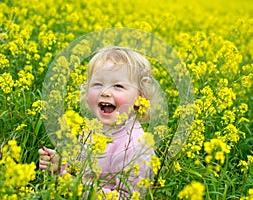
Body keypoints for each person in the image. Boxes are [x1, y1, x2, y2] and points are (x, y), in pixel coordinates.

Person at [39, 46, 161, 199]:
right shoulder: (91, 129)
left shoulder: (135, 147)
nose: (105, 92)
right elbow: (82, 168)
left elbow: (129, 197)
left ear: (140, 98)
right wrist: (61, 165)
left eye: (118, 86)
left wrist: (78, 187)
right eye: (97, 84)